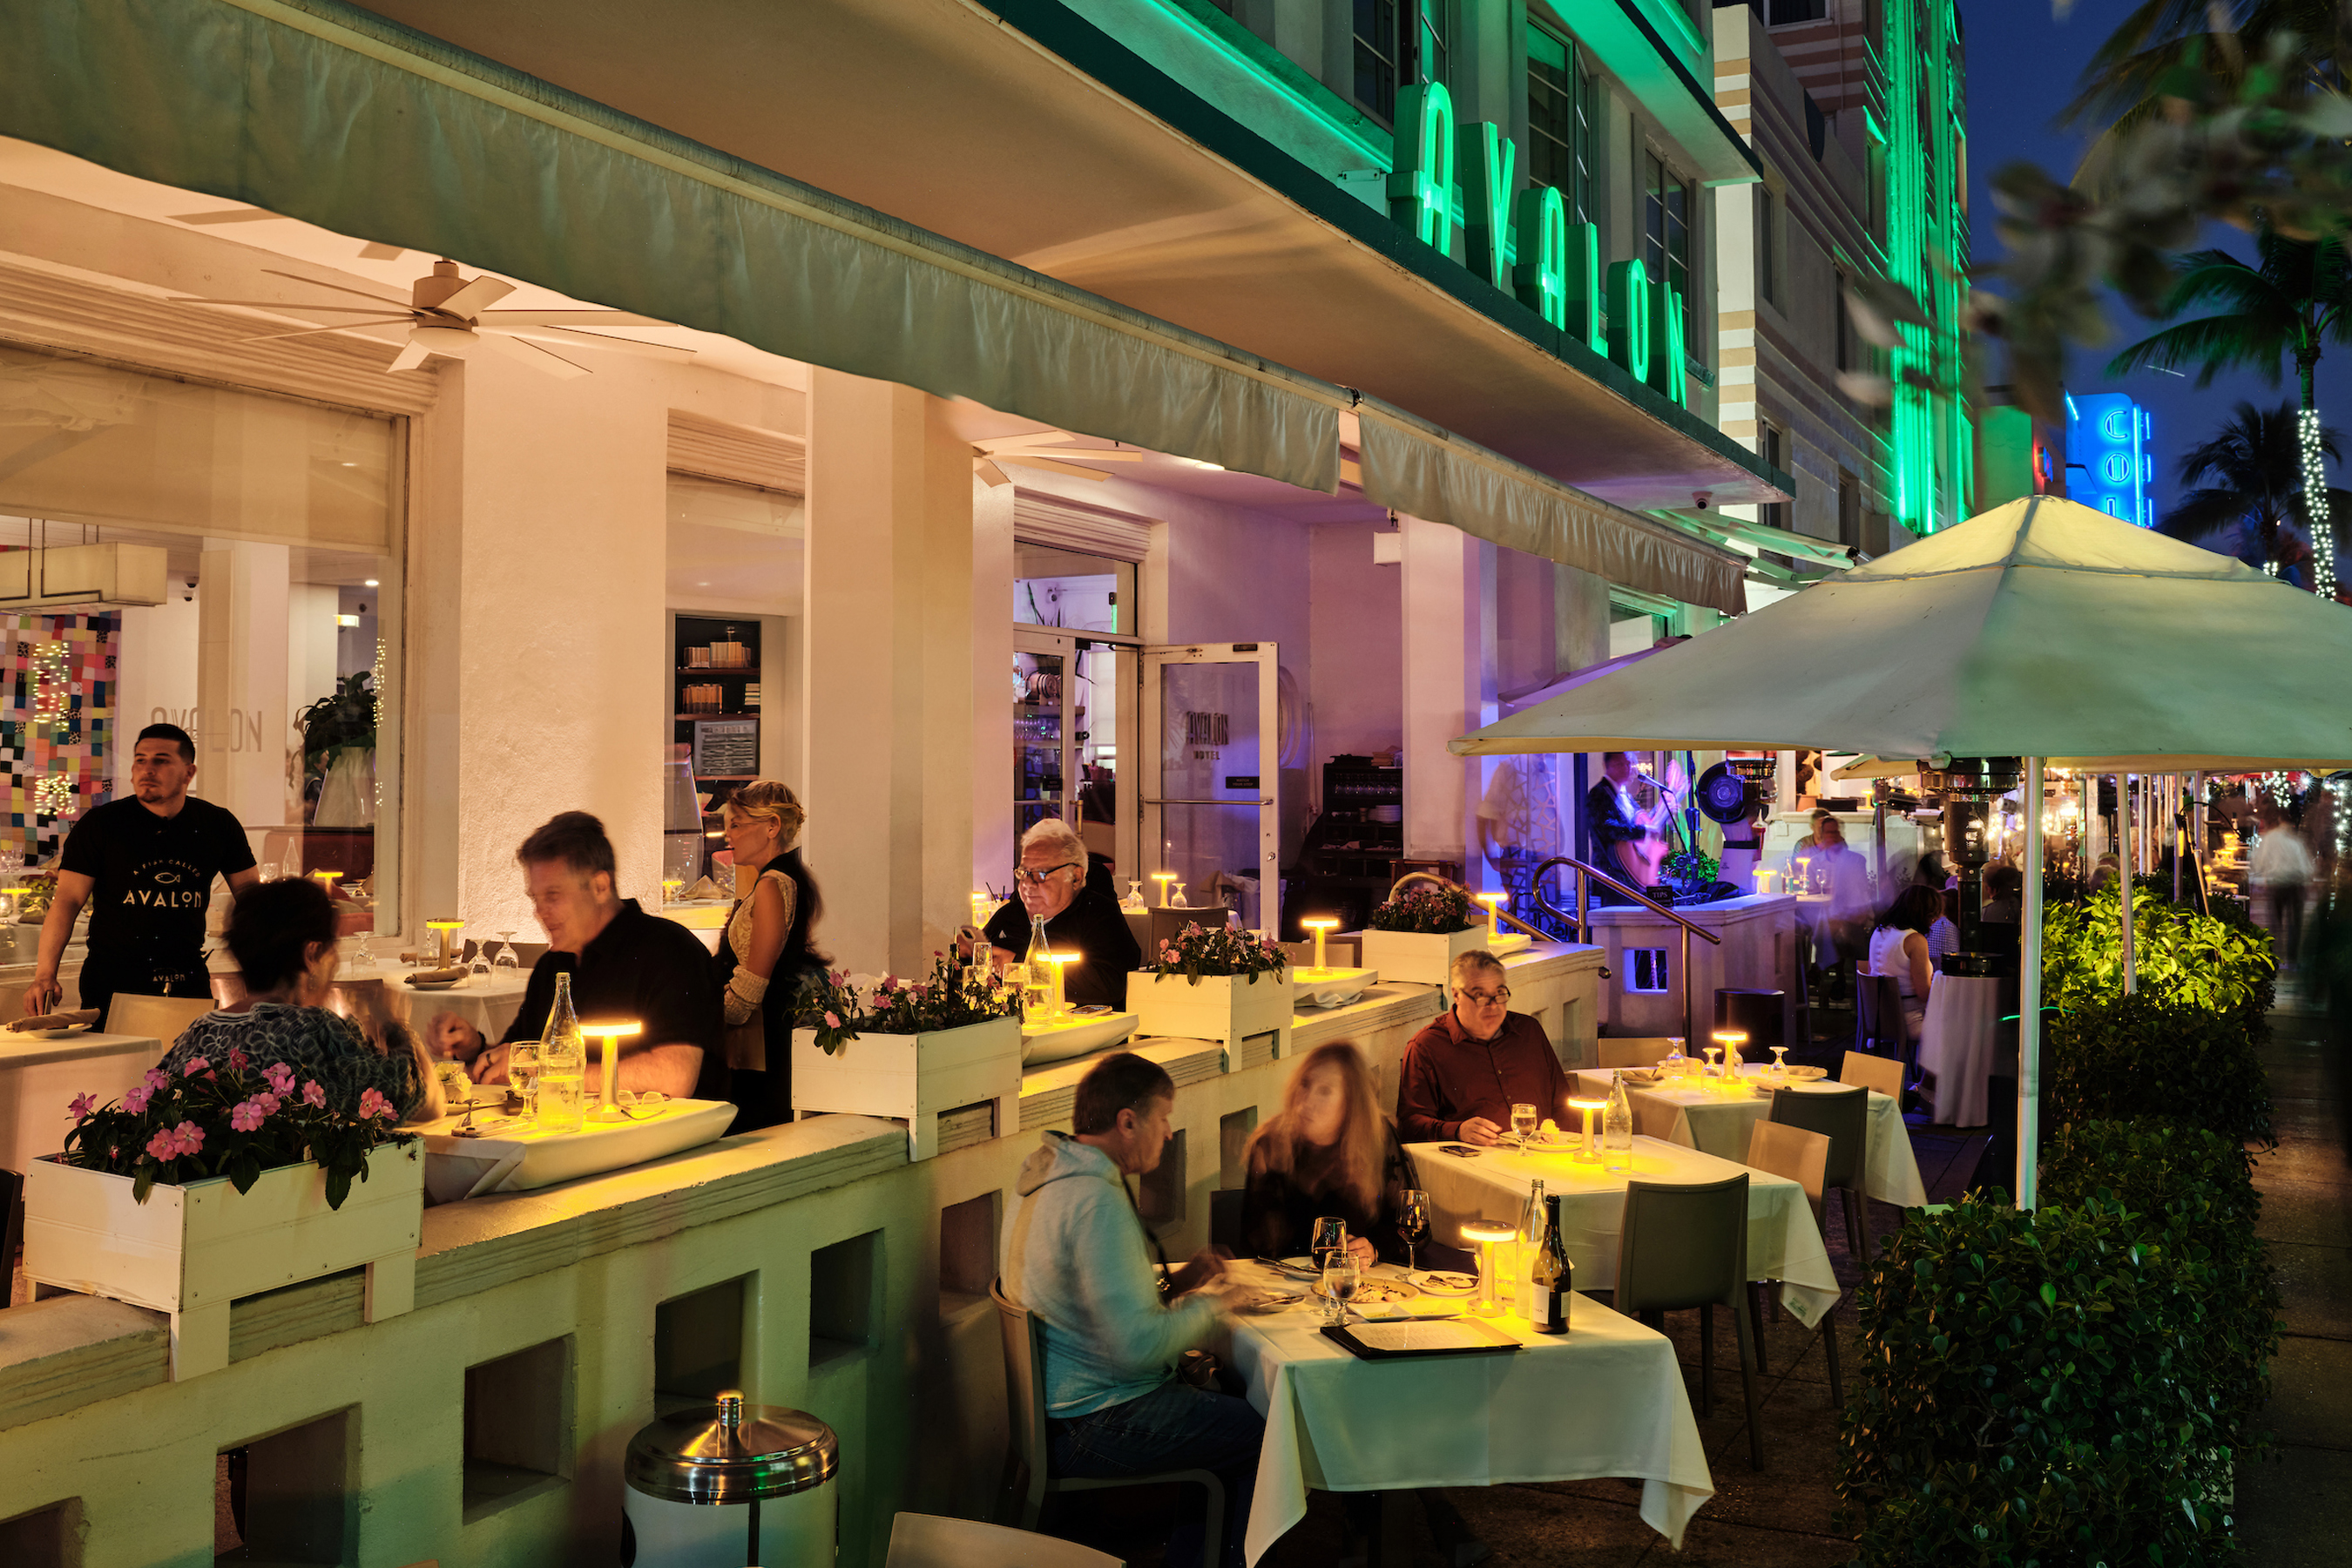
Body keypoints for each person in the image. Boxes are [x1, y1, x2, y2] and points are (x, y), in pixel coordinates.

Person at [1000, 1051, 1259, 1568]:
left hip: (1061, 1410)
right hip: (1093, 1420)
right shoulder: (1095, 1201)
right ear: (1127, 1122)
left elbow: (1092, 1303)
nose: (1168, 1132)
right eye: (1163, 1117)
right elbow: (1138, 1349)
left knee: (1227, 1414)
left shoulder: (1051, 1176)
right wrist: (1217, 1304)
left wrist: (1176, 1284)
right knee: (1265, 1434)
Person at [1240, 1044, 1489, 1568]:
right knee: (1358, 1381)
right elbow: (1255, 1249)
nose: (1308, 1098)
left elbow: (1408, 1230)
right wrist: (1310, 1256)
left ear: (1351, 1100)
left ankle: (1383, 1512)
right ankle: (1419, 1510)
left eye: (1325, 1090)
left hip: (1369, 1298)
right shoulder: (1272, 1144)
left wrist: (1374, 1246)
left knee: (1396, 1375)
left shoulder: (1377, 1141)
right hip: (1292, 1306)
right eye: (1305, 1085)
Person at [438, 812, 724, 1103]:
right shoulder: (553, 965)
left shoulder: (670, 951)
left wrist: (544, 1071)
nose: (539, 912)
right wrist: (477, 1048)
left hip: (667, 1138)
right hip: (566, 1130)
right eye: (535, 898)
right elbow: (521, 1054)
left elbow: (672, 1078)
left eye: (553, 896)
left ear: (600, 886)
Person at [25, 724, 261, 1026]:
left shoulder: (217, 824)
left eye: (161, 760)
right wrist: (45, 975)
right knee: (114, 1069)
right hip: (112, 980)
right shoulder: (102, 824)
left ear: (189, 773)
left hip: (186, 979)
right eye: (140, 759)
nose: (147, 769)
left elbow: (253, 899)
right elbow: (68, 900)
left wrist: (273, 967)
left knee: (188, 1071)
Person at [163, 877, 442, 1123]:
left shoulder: (200, 1031)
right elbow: (426, 1105)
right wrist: (396, 1023)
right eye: (334, 950)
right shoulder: (313, 1030)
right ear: (312, 954)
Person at [713, 781, 828, 1132]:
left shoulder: (771, 885)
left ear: (772, 827)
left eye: (736, 824)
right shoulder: (783, 879)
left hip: (762, 1048)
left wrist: (698, 1011)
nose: (727, 834)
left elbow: (751, 988)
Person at [1396, 950, 1573, 1146]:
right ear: (1456, 994)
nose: (1493, 1006)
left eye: (1499, 994)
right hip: (1475, 1166)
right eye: (1481, 996)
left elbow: (1562, 1104)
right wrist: (1458, 1131)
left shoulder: (1528, 1031)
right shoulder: (1427, 1047)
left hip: (1543, 1160)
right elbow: (1409, 1126)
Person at [985, 817, 1142, 1009]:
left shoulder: (1098, 914)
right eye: (1023, 873)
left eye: (1041, 875)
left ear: (1075, 877)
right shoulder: (1009, 915)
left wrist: (1018, 966)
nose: (1027, 885)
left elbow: (1109, 984)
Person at [1585, 751, 1672, 890]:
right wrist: (1644, 831)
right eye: (1621, 764)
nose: (1627, 768)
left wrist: (1663, 809)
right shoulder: (1599, 793)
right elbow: (1608, 828)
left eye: (1629, 764)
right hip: (1611, 875)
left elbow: (1638, 822)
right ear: (1607, 766)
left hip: (1632, 873)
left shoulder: (1625, 795)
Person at [1864, 883, 1939, 1044]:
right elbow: (1923, 993)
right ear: (1925, 914)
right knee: (1959, 1026)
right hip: (1909, 1021)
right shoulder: (1915, 940)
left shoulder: (1879, 931)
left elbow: (1873, 972)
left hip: (1877, 1018)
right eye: (1933, 914)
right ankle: (1928, 1069)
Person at [2250, 801, 2314, 968]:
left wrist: (2262, 876)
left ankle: (2273, 955)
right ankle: (2292, 957)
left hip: (2277, 883)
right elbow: (2305, 865)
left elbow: (2259, 861)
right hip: (2296, 883)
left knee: (2275, 921)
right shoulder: (2296, 839)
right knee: (2295, 922)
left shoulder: (2270, 838)